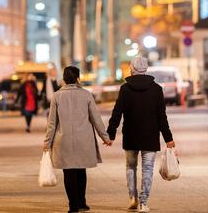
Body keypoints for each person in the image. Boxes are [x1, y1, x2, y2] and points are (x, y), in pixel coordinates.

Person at [107, 56, 175, 213]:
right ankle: (143, 203)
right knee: (147, 168)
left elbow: (117, 113)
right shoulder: (157, 89)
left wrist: (110, 134)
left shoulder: (125, 89)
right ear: (146, 69)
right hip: (150, 136)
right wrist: (168, 138)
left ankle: (132, 197)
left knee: (130, 166)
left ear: (132, 69)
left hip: (130, 135)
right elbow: (161, 116)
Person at [44, 66, 111, 213]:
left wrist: (47, 142)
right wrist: (105, 137)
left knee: (69, 173)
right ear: (77, 78)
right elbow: (96, 118)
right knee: (81, 171)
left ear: (64, 78)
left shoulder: (57, 96)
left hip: (63, 139)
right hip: (84, 139)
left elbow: (52, 123)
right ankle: (82, 202)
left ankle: (73, 205)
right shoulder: (86, 95)